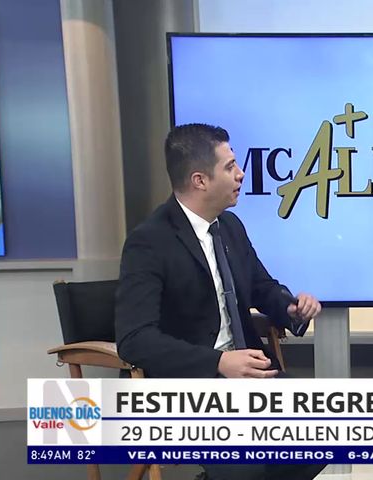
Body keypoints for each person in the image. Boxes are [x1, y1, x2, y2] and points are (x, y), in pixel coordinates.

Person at [115, 123, 325, 479]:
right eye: (230, 167)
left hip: (251, 375)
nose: (240, 174)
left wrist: (291, 308)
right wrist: (218, 362)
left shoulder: (230, 227)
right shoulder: (149, 242)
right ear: (200, 180)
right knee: (249, 464)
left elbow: (262, 287)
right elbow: (135, 338)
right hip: (192, 385)